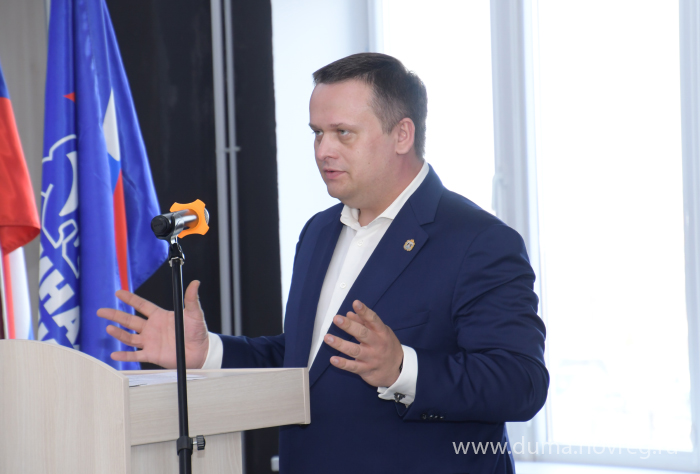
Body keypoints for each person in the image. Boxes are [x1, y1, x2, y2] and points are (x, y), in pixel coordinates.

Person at [98, 52, 548, 473]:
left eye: (342, 133)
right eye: (317, 133)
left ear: (402, 135)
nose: (322, 151)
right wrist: (208, 352)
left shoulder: (479, 241)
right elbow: (308, 362)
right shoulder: (319, 231)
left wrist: (402, 368)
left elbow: (521, 383)